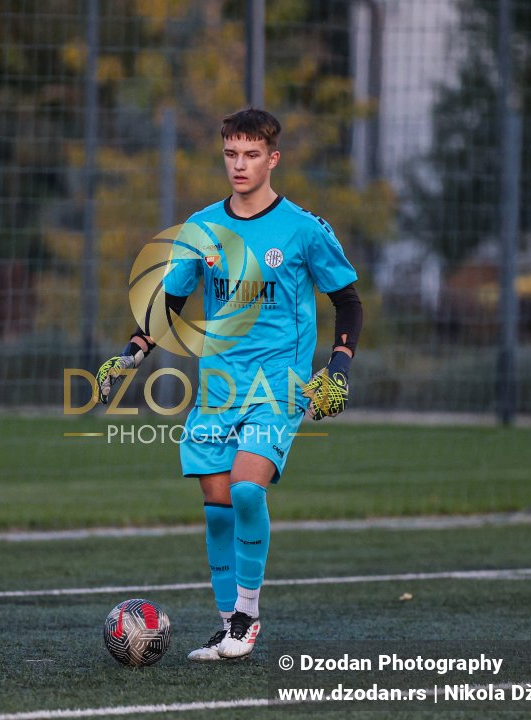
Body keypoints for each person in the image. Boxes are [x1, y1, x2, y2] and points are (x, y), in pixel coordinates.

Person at [96, 108, 362, 661]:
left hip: (278, 386)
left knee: (246, 488)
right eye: (231, 154)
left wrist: (337, 369)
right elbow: (169, 302)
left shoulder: (302, 229)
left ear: (273, 159)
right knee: (217, 502)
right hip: (218, 386)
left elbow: (348, 301)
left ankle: (246, 619)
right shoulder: (201, 228)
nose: (239, 165)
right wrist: (130, 356)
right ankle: (226, 627)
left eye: (251, 155)